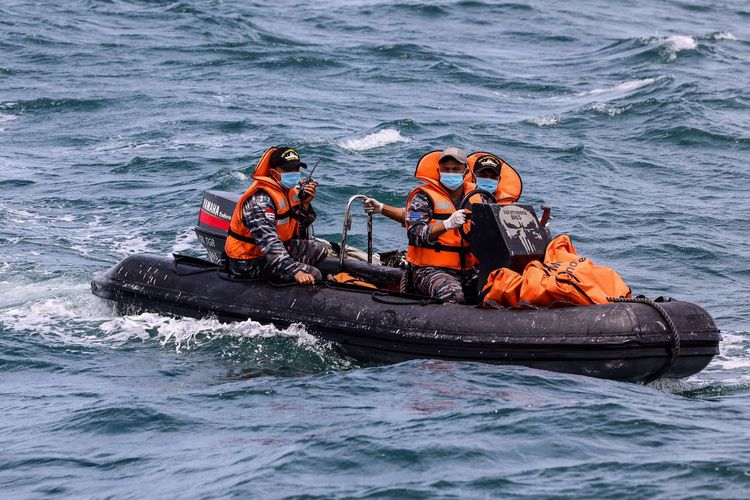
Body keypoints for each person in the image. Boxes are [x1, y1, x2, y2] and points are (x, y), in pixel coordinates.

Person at [224, 146, 327, 285]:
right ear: (273, 172)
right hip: (248, 261)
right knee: (314, 274)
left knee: (320, 251)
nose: (294, 173)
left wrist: (305, 205)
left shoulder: (289, 192)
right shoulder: (260, 202)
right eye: (288, 169)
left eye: (296, 169)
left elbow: (299, 230)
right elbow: (270, 243)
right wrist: (295, 271)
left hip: (279, 249)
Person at [404, 147, 486, 304]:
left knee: (494, 289)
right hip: (429, 269)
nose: (451, 173)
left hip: (468, 269)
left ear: (466, 171)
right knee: (452, 295)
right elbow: (414, 234)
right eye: (446, 169)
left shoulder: (479, 197)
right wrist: (446, 224)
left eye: (456, 169)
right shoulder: (422, 197)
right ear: (438, 170)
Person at [363, 151, 522, 222]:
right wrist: (383, 208)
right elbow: (414, 216)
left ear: (499, 179)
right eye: (482, 175)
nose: (487, 180)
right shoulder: (457, 193)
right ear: (471, 175)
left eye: (492, 177)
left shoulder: (502, 205)